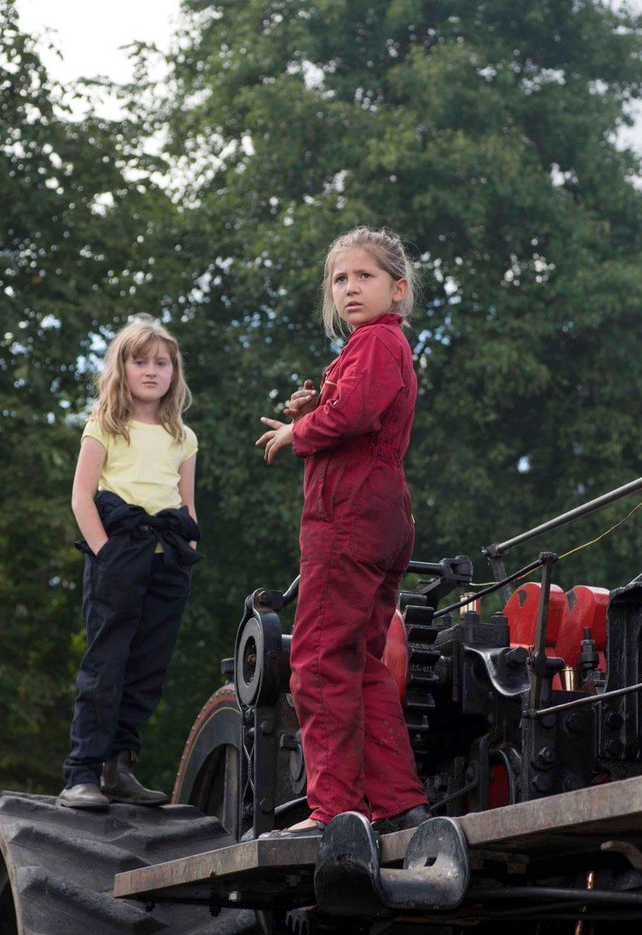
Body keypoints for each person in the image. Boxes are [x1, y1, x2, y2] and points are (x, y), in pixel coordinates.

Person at [255, 227, 430, 838]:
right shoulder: (375, 347)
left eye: (364, 276)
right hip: (382, 513)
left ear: (398, 288)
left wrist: (297, 433)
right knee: (360, 663)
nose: (350, 287)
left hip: (350, 514)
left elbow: (355, 415)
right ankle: (398, 803)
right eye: (339, 279)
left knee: (318, 660)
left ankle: (334, 811)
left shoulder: (377, 342)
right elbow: (357, 410)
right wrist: (315, 411)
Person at [60, 316, 201, 811]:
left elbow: (187, 504)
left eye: (161, 363)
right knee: (106, 665)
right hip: (119, 556)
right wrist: (104, 553)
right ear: (122, 369)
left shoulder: (183, 436)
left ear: (173, 372)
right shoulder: (105, 425)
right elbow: (81, 497)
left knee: (148, 668)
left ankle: (118, 769)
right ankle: (82, 772)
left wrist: (186, 557)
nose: (151, 371)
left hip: (167, 562)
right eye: (140, 362)